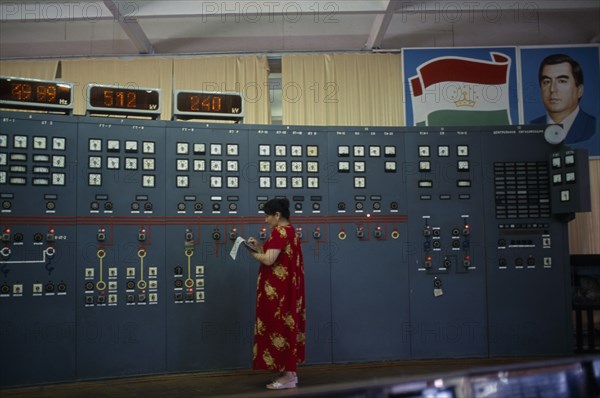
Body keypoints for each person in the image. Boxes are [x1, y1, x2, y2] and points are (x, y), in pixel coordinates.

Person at [245, 197, 306, 390]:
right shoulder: (290, 231)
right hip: (288, 290)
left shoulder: (279, 232)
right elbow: (278, 255)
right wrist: (260, 246)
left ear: (277, 215)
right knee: (288, 327)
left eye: (267, 216)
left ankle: (288, 376)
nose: (265, 220)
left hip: (278, 294)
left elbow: (270, 260)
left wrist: (251, 252)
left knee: (277, 326)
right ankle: (290, 372)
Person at [530, 53, 597, 144]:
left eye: (562, 81)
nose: (553, 89)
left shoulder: (593, 127)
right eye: (546, 82)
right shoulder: (531, 128)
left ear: (579, 90)